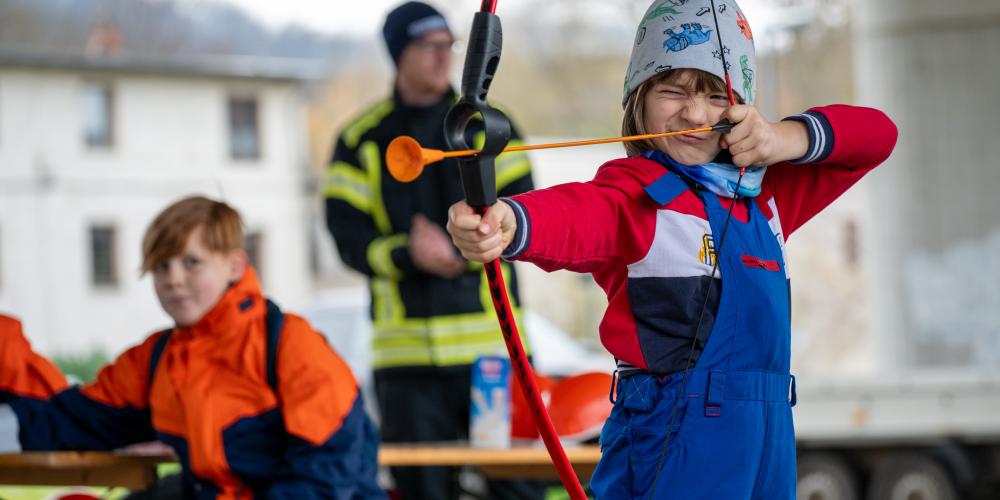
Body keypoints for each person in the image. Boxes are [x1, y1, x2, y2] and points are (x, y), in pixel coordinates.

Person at [446, 1, 898, 498]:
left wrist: (781, 137)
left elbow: (879, 135)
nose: (695, 114)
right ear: (639, 100)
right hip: (671, 441)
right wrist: (507, 221)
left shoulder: (766, 197)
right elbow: (576, 214)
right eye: (672, 91)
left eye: (716, 95)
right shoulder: (636, 192)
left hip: (768, 446)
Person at [0, 196, 384, 499]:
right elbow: (71, 422)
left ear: (234, 266)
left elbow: (328, 469)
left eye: (192, 263)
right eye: (161, 267)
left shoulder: (289, 344)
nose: (174, 279)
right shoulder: (156, 360)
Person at [324, 2, 538, 499]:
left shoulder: (490, 126)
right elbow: (347, 239)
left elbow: (527, 219)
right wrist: (407, 253)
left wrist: (464, 247)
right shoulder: (361, 140)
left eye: (449, 45)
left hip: (495, 354)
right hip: (407, 366)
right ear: (399, 54)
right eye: (428, 45)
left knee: (519, 489)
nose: (444, 56)